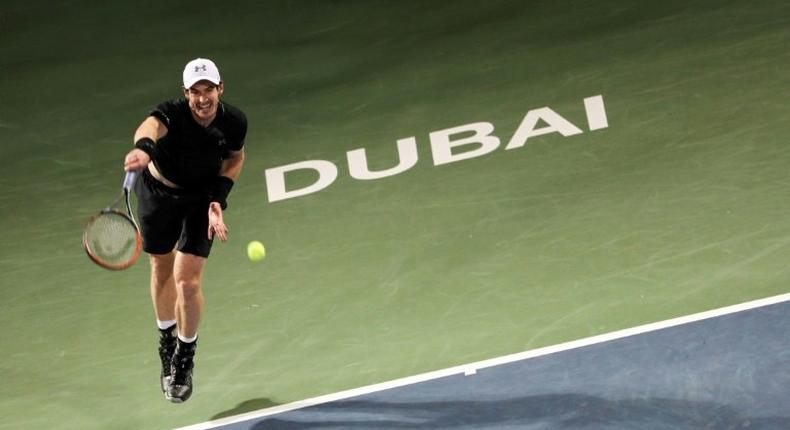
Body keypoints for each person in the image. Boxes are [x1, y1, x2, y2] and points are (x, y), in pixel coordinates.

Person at [123, 58, 247, 403]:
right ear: (186, 93)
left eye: (209, 90)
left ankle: (184, 357)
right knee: (162, 265)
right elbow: (149, 127)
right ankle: (166, 338)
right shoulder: (171, 113)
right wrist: (143, 150)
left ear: (220, 89)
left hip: (200, 199)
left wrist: (218, 199)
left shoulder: (234, 122)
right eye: (195, 91)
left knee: (188, 280)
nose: (202, 98)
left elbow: (235, 159)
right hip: (158, 194)